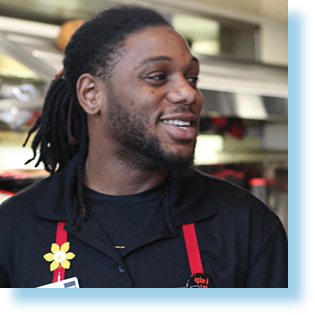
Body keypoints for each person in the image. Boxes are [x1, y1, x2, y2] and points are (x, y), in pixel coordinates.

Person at [0, 4, 288, 288]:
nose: (189, 93)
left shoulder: (247, 225)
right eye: (158, 76)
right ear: (91, 95)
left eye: (192, 78)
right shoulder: (12, 228)